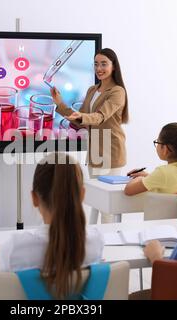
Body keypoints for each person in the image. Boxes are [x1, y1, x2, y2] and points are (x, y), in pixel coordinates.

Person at [0, 153, 104, 299]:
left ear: (35, 198)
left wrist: (2, 250)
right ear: (82, 195)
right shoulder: (96, 241)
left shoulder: (17, 247)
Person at [51, 48, 128, 223]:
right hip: (95, 153)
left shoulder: (117, 92)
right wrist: (60, 104)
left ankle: (108, 242)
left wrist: (82, 116)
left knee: (106, 205)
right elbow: (82, 121)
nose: (99, 68)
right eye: (96, 64)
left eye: (103, 64)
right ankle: (94, 236)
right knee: (97, 200)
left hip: (111, 151)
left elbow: (100, 117)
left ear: (113, 66)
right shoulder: (92, 90)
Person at [124, 122, 177, 196]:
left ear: (165, 149)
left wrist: (140, 178)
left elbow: (128, 190)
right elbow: (169, 181)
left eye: (157, 142)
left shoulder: (163, 173)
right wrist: (148, 176)